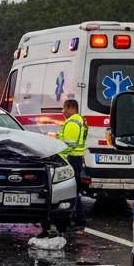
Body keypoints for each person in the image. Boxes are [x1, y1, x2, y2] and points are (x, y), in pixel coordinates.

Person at [58, 97, 88, 229]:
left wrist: (60, 154)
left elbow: (69, 144)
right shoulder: (78, 121)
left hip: (71, 159)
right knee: (74, 191)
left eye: (65, 108)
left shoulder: (72, 122)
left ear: (73, 108)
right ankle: (77, 219)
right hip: (76, 159)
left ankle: (78, 220)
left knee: (71, 192)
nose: (63, 111)